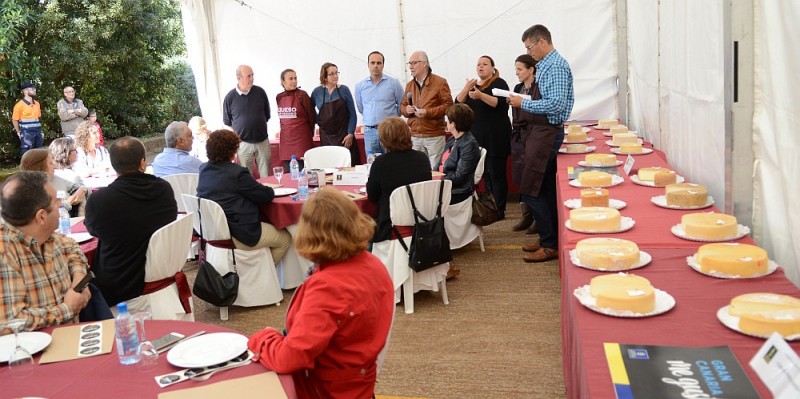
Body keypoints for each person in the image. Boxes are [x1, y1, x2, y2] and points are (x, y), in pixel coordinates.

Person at [247, 187, 394, 399]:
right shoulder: (373, 264)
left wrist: (263, 337)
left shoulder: (329, 286)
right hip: (359, 379)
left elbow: (289, 359)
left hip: (326, 390)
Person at [508, 24, 575, 263]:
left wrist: (523, 103)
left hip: (547, 133)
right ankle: (550, 238)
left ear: (542, 42)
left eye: (529, 47)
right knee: (544, 189)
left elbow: (556, 105)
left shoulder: (555, 66)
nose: (529, 52)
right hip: (539, 132)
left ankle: (549, 244)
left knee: (531, 189)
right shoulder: (546, 64)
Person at [84, 137, 177, 306]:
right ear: (142, 163)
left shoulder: (100, 200)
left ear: (113, 166)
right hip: (161, 267)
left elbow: (93, 231)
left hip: (119, 281)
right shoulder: (164, 189)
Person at [1, 171, 91, 332]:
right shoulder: (5, 253)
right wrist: (67, 309)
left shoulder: (48, 237)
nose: (61, 204)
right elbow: (9, 322)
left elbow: (72, 248)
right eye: (56, 201)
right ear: (41, 217)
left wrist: (79, 279)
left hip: (71, 338)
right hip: (37, 347)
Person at [196, 129, 291, 264]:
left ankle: (258, 269)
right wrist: (267, 188)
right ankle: (265, 272)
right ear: (232, 150)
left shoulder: (204, 169)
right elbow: (266, 196)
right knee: (285, 239)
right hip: (239, 233)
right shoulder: (237, 173)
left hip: (213, 232)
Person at [455, 55, 512, 219]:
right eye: (478, 64)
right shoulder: (473, 86)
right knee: (484, 174)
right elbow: (457, 103)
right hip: (477, 137)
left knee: (496, 173)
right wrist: (466, 88)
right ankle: (489, 207)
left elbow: (500, 104)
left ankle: (500, 209)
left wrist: (480, 96)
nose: (480, 67)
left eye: (485, 64)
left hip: (496, 137)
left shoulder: (499, 83)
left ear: (493, 68)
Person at [365, 116, 431, 242]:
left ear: (383, 140)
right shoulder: (422, 158)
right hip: (421, 217)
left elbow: (372, 195)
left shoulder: (381, 163)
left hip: (390, 222)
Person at [400, 51, 454, 170]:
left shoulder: (440, 82)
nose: (410, 66)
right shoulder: (409, 85)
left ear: (424, 64)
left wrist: (427, 113)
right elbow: (402, 106)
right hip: (415, 136)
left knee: (435, 171)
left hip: (434, 135)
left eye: (414, 63)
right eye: (409, 63)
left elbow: (449, 106)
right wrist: (407, 110)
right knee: (417, 171)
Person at [222, 65, 271, 177]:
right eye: (248, 76)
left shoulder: (260, 92)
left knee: (266, 177)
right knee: (245, 177)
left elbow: (267, 115)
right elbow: (227, 121)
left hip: (262, 141)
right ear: (239, 78)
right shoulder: (230, 97)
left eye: (252, 75)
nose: (252, 78)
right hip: (243, 144)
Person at [355, 51, 404, 156]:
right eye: (372, 63)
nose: (375, 66)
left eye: (379, 63)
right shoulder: (360, 86)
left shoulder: (394, 83)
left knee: (393, 159)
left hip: (390, 130)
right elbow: (361, 108)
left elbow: (402, 103)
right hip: (370, 131)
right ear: (368, 65)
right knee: (372, 162)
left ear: (383, 65)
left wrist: (392, 120)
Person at [510, 55, 538, 234]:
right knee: (521, 175)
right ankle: (526, 215)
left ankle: (537, 218)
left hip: (534, 135)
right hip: (519, 135)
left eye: (520, 69)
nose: (517, 73)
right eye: (516, 69)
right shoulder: (517, 88)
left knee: (533, 177)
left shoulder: (538, 88)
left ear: (531, 69)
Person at [311, 62, 359, 166]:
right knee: (330, 165)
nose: (335, 76)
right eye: (332, 74)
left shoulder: (344, 90)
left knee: (348, 166)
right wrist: (318, 120)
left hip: (344, 136)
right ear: (324, 76)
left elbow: (352, 114)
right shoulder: (316, 92)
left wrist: (350, 133)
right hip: (326, 137)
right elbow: (310, 110)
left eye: (337, 73)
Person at [20, 148, 87, 217]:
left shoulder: (56, 178)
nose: (55, 166)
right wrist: (68, 203)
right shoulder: (27, 191)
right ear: (39, 167)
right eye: (51, 163)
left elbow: (82, 189)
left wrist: (83, 190)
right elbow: (45, 214)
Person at [276, 68, 315, 170]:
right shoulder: (279, 97)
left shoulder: (302, 95)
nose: (294, 81)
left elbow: (311, 117)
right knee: (289, 173)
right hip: (286, 141)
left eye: (295, 78)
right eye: (291, 79)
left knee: (302, 172)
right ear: (283, 81)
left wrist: (309, 133)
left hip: (301, 140)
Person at [442, 104, 480, 205]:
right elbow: (439, 164)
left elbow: (460, 177)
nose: (446, 122)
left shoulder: (469, 144)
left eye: (447, 120)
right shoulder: (452, 139)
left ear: (453, 124)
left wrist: (438, 180)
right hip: (445, 185)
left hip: (458, 191)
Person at [12, 81, 43, 155]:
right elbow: (14, 120)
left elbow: (38, 117)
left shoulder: (37, 104)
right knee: (27, 153)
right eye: (32, 89)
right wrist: (18, 132)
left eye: (34, 88)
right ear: (25, 91)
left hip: (38, 131)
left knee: (39, 151)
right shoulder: (19, 105)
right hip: (26, 133)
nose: (34, 90)